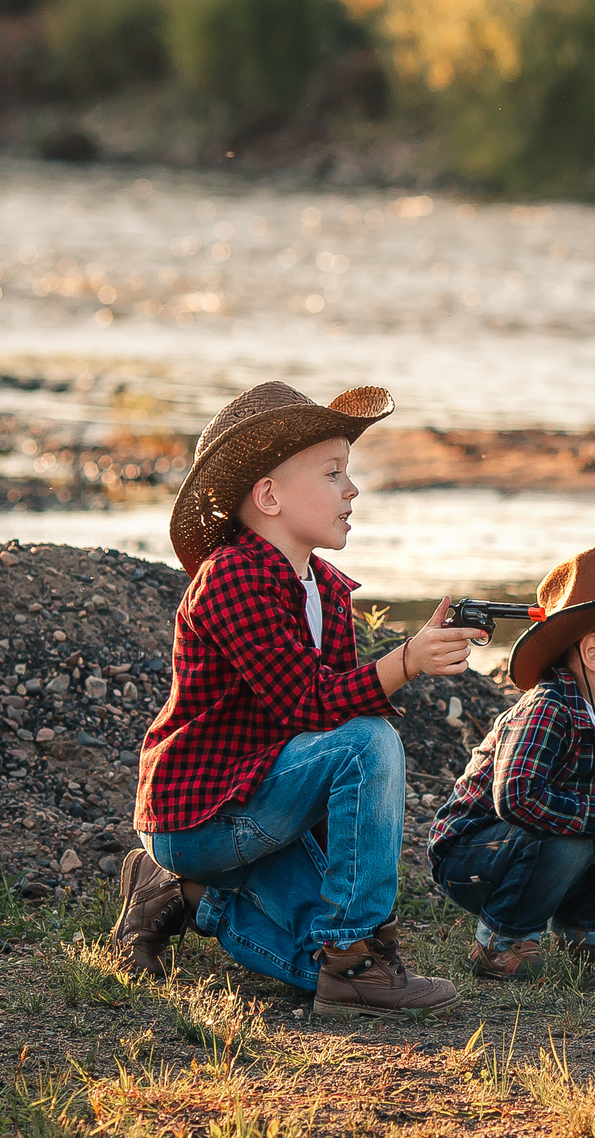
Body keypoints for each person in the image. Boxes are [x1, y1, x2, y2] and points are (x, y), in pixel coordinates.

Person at [109, 380, 484, 1015]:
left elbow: (327, 720)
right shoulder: (230, 576)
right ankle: (354, 951)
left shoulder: (326, 590)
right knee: (372, 738)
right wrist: (406, 661)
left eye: (350, 473)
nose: (352, 490)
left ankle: (196, 899)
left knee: (312, 955)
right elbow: (309, 705)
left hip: (264, 800)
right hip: (201, 812)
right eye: (334, 473)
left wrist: (324, 868)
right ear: (269, 495)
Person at [426, 539, 595, 979]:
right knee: (567, 840)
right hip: (477, 854)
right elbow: (516, 798)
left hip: (555, 839)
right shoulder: (548, 708)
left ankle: (588, 934)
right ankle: (500, 941)